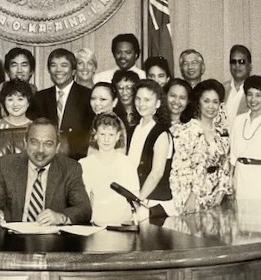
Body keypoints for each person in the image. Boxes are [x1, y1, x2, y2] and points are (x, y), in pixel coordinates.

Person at [0, 118, 91, 226]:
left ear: (57, 147)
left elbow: (84, 209)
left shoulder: (70, 168)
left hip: (53, 241)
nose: (40, 150)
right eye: (34, 142)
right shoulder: (6, 165)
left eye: (48, 144)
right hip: (12, 239)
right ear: (25, 142)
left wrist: (61, 217)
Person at [170, 79, 230, 215]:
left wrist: (221, 192)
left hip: (215, 194)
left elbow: (225, 164)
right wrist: (191, 197)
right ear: (198, 103)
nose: (211, 106)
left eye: (215, 102)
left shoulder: (222, 132)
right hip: (189, 193)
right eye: (206, 101)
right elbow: (180, 169)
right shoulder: (185, 130)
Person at [28, 48, 94, 160]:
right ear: (49, 70)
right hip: (45, 159)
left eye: (64, 65)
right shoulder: (39, 97)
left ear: (73, 71)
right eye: (53, 65)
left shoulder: (88, 96)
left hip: (77, 159)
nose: (58, 70)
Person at [127, 79, 175, 217]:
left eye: (147, 100)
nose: (141, 104)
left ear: (158, 103)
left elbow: (157, 173)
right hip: (135, 199)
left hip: (154, 204)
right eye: (138, 99)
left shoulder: (161, 133)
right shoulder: (132, 130)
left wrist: (138, 200)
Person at [80, 113, 139, 226]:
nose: (106, 139)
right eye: (102, 134)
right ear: (95, 135)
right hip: (97, 226)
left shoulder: (128, 163)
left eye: (111, 134)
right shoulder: (85, 164)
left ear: (118, 136)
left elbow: (135, 200)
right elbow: (83, 201)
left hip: (122, 226)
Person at [230, 75, 261, 200]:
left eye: (258, 95)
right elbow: (232, 154)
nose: (253, 99)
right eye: (250, 94)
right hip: (240, 177)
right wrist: (230, 179)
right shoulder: (239, 120)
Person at [88, 82, 126, 155]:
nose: (97, 103)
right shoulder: (97, 121)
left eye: (103, 99)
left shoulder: (115, 124)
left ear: (114, 102)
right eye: (93, 98)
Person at [223, 45, 252, 128]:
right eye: (233, 62)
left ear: (250, 66)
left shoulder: (256, 92)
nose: (237, 65)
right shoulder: (222, 89)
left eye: (241, 62)